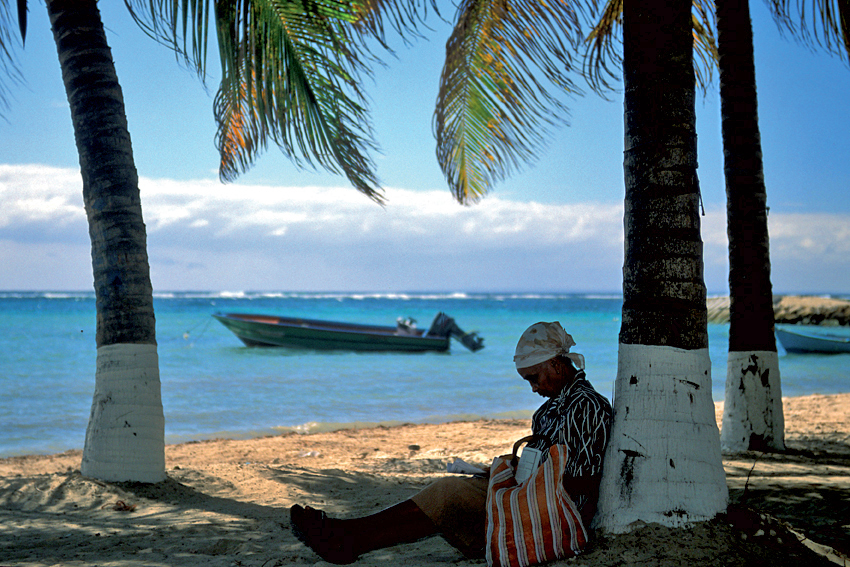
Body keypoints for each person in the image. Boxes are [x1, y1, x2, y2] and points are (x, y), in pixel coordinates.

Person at [290, 322, 613, 564]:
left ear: (556, 366)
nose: (532, 388)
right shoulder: (550, 408)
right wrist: (508, 472)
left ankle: (348, 537)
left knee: (450, 494)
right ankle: (347, 535)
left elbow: (584, 479)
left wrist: (522, 484)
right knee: (450, 490)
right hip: (531, 493)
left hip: (553, 507)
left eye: (533, 378)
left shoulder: (586, 406)